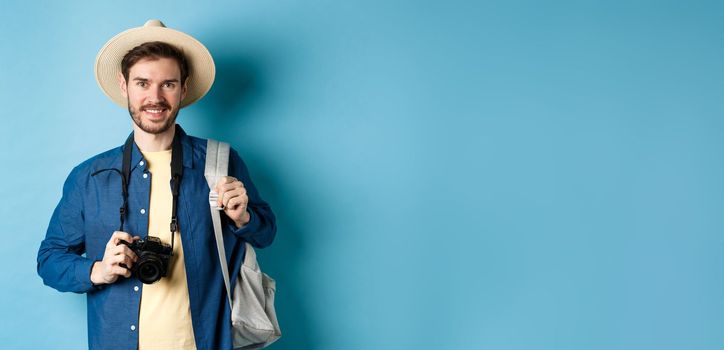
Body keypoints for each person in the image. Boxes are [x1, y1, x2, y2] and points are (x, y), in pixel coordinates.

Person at [36, 19, 276, 350]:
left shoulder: (220, 162)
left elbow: (267, 233)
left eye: (168, 84)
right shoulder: (89, 177)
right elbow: (49, 260)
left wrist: (243, 218)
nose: (155, 97)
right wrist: (98, 270)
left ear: (184, 87)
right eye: (143, 83)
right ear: (124, 86)